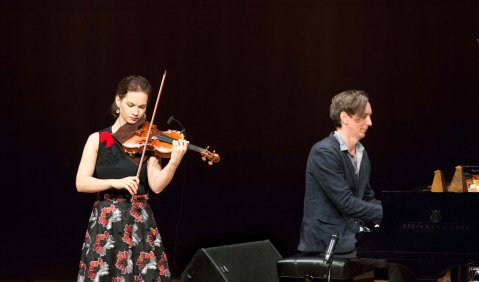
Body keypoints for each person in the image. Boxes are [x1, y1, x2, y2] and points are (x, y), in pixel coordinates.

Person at [75, 75, 188, 281]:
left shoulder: (149, 140)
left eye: (142, 107)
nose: (136, 112)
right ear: (118, 101)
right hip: (106, 223)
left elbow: (157, 186)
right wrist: (114, 182)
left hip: (140, 221)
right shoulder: (98, 139)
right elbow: (81, 183)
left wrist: (173, 162)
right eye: (131, 105)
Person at [297, 90, 416, 281]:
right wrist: (392, 215)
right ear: (345, 117)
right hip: (328, 243)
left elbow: (366, 197)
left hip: (352, 239)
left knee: (404, 258)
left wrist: (396, 210)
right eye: (364, 116)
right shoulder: (323, 152)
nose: (370, 123)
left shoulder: (361, 153)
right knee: (396, 262)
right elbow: (345, 202)